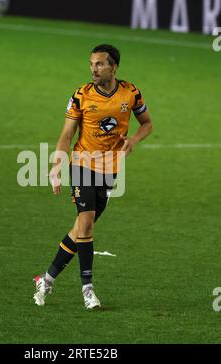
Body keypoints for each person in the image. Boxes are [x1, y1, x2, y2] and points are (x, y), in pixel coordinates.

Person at [33, 44, 153, 309]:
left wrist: (133, 139)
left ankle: (47, 279)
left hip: (110, 170)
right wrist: (56, 167)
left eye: (99, 64)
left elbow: (147, 123)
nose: (93, 69)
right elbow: (66, 135)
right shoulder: (81, 96)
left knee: (81, 229)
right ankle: (88, 290)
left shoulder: (130, 93)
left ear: (114, 66)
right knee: (86, 223)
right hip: (82, 164)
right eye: (91, 64)